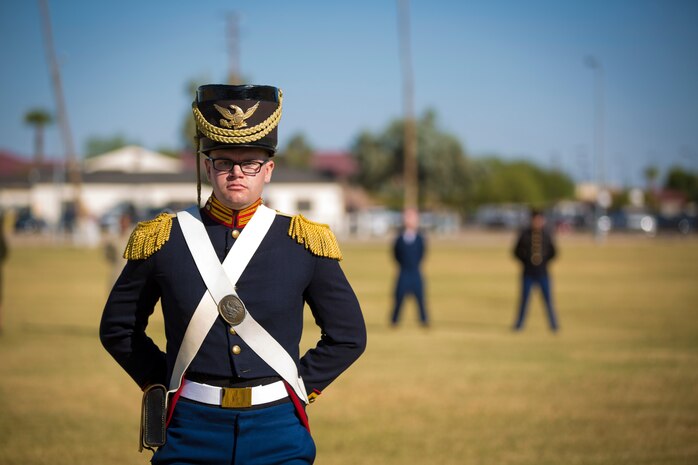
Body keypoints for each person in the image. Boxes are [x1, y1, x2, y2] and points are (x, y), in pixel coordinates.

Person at [100, 84, 367, 465]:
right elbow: (118, 328)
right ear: (207, 166)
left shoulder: (306, 241)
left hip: (278, 428)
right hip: (190, 427)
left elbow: (348, 336)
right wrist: (165, 382)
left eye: (251, 163)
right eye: (224, 162)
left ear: (269, 169)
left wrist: (296, 387)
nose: (237, 173)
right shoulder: (163, 239)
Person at [512, 209, 559, 332]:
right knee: (524, 300)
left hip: (543, 273)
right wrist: (525, 261)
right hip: (528, 273)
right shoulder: (525, 234)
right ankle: (519, 325)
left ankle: (553, 325)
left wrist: (544, 261)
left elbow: (553, 252)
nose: (537, 222)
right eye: (535, 219)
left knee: (548, 300)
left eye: (539, 219)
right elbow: (516, 251)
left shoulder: (546, 234)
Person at [390, 207, 429, 327]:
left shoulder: (420, 238)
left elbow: (423, 253)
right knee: (399, 296)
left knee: (421, 298)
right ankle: (394, 321)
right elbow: (395, 254)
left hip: (416, 271)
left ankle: (424, 321)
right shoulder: (399, 238)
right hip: (403, 271)